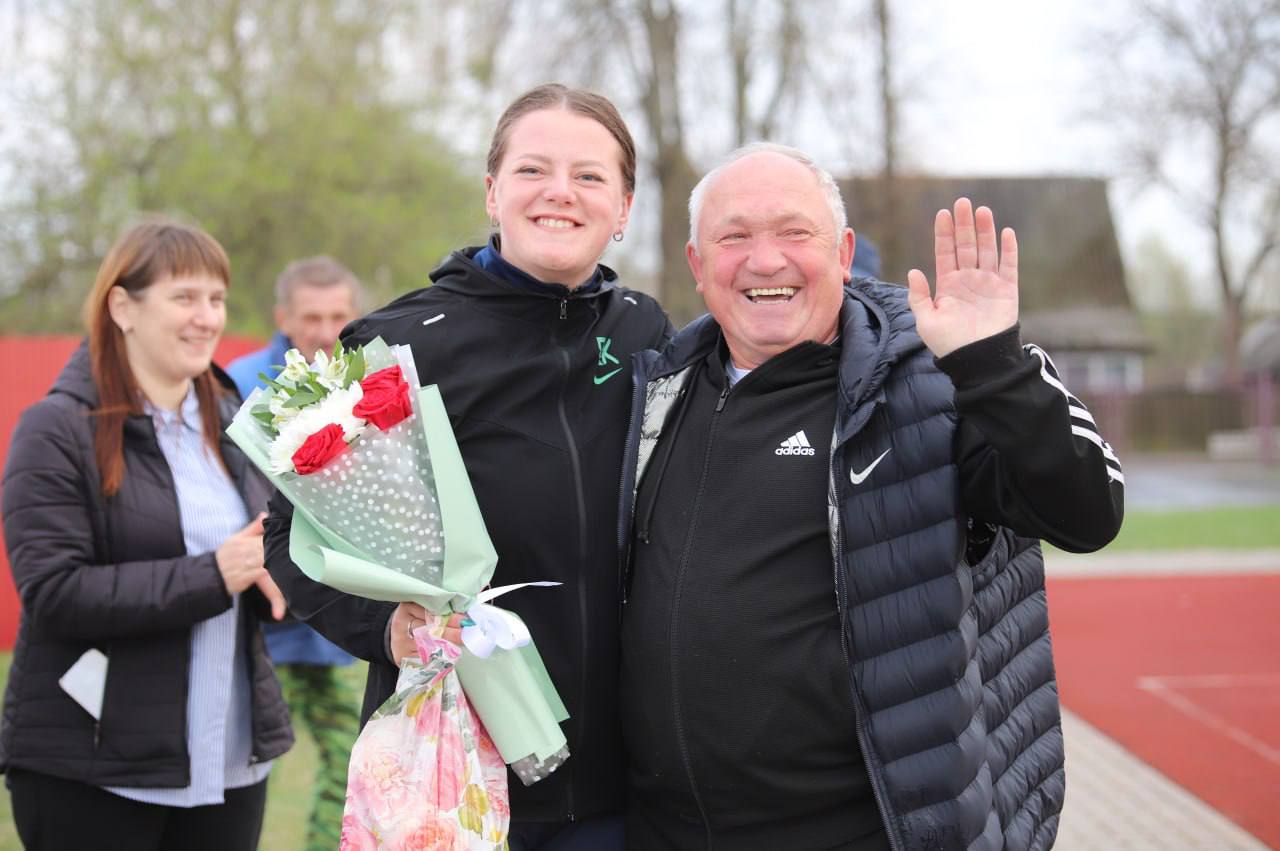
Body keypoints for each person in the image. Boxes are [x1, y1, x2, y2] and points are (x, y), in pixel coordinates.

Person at [618, 143, 1125, 851]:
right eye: (734, 237)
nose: (766, 261)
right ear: (699, 266)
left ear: (845, 250)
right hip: (665, 832)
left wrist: (994, 368)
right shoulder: (655, 392)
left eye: (795, 232)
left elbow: (1087, 512)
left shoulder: (935, 380)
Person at [262, 83, 672, 850]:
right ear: (492, 192)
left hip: (627, 791)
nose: (560, 192)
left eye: (590, 176)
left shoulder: (648, 332)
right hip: (454, 784)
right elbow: (288, 540)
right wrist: (387, 630)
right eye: (532, 170)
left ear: (623, 208)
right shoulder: (398, 345)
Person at [1, 220, 293, 851]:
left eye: (216, 299)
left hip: (229, 763)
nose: (206, 318)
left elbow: (264, 559)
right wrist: (216, 573)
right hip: (96, 768)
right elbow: (55, 591)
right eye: (184, 297)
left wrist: (292, 578)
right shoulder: (55, 430)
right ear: (122, 306)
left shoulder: (239, 423)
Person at [226, 256, 363, 851]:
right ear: (283, 317)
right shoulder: (237, 382)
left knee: (352, 763)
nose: (325, 330)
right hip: (261, 619)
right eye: (311, 316)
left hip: (336, 618)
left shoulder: (366, 381)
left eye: (338, 315)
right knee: (250, 768)